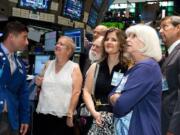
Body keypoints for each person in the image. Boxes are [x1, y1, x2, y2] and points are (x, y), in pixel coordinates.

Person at [109, 24, 162, 135]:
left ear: (146, 42)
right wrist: (116, 97)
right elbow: (111, 94)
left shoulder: (146, 68)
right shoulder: (137, 67)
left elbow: (121, 106)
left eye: (133, 36)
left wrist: (117, 98)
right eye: (128, 36)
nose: (127, 39)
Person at [83, 28, 128, 135]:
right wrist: (94, 112)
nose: (109, 42)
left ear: (121, 44)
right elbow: (86, 92)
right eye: (107, 39)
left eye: (113, 40)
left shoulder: (128, 68)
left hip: (119, 121)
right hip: (96, 118)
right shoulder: (96, 66)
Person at [35, 36, 83, 135]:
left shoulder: (74, 67)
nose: (57, 45)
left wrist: (70, 114)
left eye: (61, 44)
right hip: (43, 114)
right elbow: (39, 80)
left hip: (63, 116)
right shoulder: (48, 64)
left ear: (69, 50)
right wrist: (38, 82)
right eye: (57, 43)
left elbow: (76, 92)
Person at [0, 21, 29, 135]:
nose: (27, 42)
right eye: (24, 37)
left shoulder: (20, 65)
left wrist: (25, 118)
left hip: (11, 118)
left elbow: (23, 93)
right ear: (11, 37)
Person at [159, 16, 180, 135]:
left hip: (173, 124)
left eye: (165, 27)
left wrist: (173, 128)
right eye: (160, 28)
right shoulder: (170, 53)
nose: (160, 31)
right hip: (165, 118)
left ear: (178, 28)